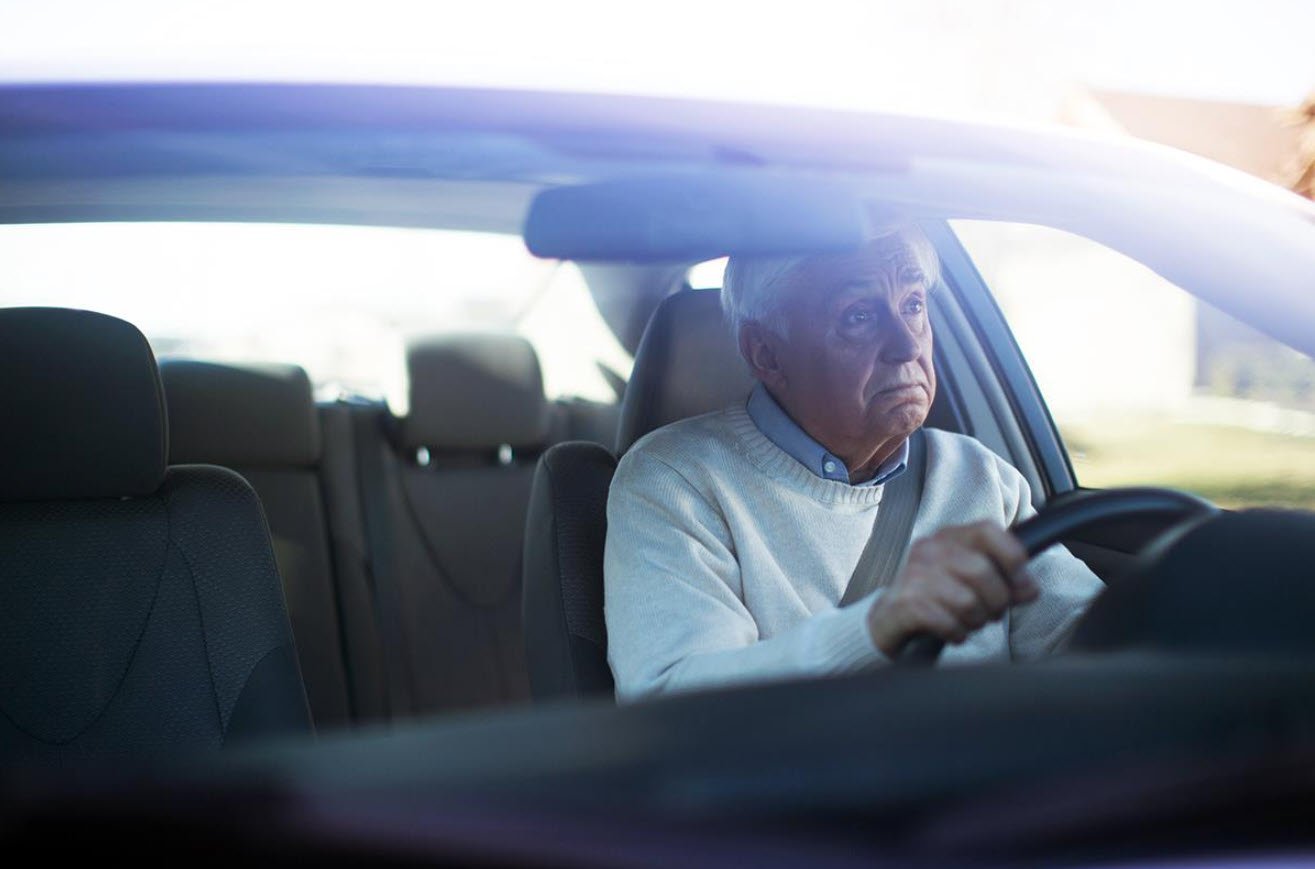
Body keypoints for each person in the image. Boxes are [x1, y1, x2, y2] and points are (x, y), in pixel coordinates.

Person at [603, 224, 1103, 702]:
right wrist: (878, 627)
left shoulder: (978, 475)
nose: (907, 344)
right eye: (859, 316)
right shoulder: (674, 482)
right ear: (767, 355)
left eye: (913, 305)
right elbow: (675, 703)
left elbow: (1091, 640)